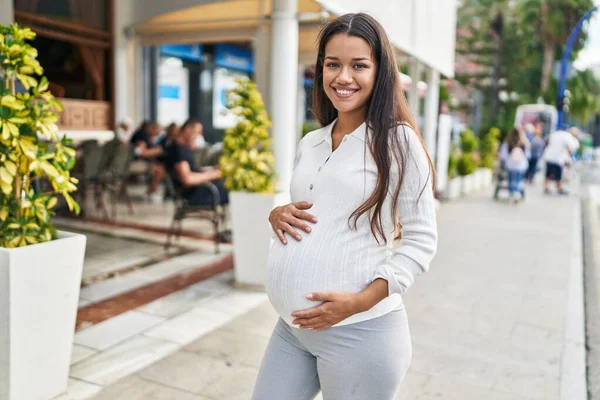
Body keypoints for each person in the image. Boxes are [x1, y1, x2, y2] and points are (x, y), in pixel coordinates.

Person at [252, 13, 438, 400]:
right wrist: (277, 213)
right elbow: (322, 210)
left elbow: (421, 241)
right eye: (332, 64)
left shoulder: (398, 143)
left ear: (380, 71)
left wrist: (356, 302)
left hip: (360, 334)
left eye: (359, 65)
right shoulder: (313, 141)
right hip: (293, 329)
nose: (343, 77)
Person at [164, 118, 228, 206]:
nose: (199, 136)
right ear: (187, 129)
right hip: (195, 195)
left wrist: (211, 169)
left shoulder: (182, 148)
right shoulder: (178, 150)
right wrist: (215, 174)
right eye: (198, 132)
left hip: (199, 190)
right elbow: (187, 179)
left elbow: (191, 171)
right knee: (234, 188)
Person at [543, 127, 580, 195]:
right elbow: (571, 147)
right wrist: (570, 156)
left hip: (549, 156)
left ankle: (546, 187)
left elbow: (547, 142)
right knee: (558, 175)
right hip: (557, 158)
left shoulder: (554, 134)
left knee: (548, 174)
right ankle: (559, 188)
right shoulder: (567, 136)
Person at [502, 127, 529, 202]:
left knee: (511, 180)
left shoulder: (507, 143)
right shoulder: (524, 143)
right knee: (518, 180)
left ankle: (511, 193)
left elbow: (503, 155)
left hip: (510, 165)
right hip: (521, 166)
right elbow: (527, 155)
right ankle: (516, 192)